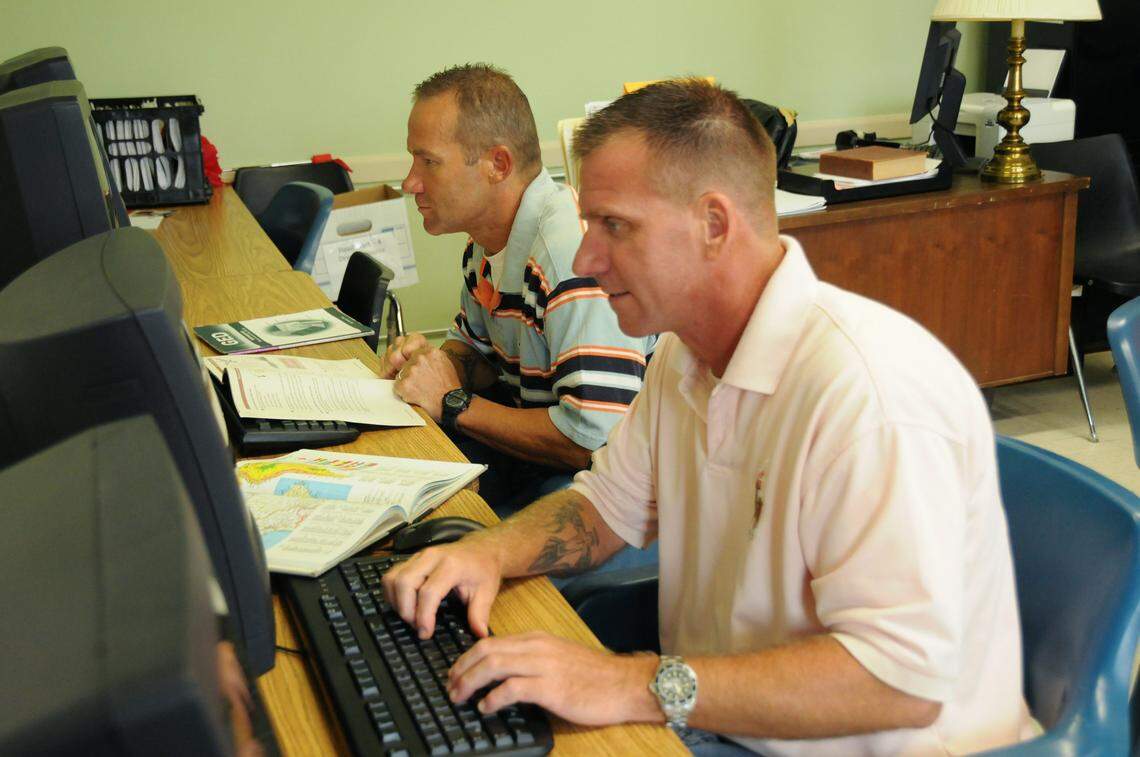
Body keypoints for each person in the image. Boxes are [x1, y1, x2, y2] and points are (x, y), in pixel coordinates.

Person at [382, 78, 1036, 755]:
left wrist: (633, 683)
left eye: (614, 226)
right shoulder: (684, 355)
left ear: (714, 225)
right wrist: (484, 551)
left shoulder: (869, 394)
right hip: (725, 719)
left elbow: (902, 679)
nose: (584, 259)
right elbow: (606, 506)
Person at [382, 63, 655, 516]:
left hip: (614, 489)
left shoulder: (572, 256)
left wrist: (453, 401)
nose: (411, 182)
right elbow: (480, 353)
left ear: (498, 164)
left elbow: (592, 440)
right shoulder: (484, 246)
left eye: (428, 162)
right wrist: (433, 365)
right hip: (545, 464)